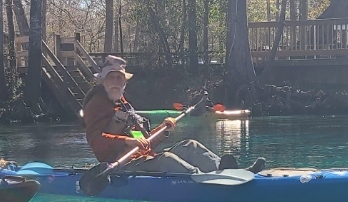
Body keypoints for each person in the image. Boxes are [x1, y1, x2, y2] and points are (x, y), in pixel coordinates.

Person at [81, 56, 265, 175]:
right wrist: (128, 142)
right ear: (102, 80)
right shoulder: (96, 103)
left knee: (190, 145)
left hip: (144, 159)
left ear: (124, 82)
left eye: (119, 77)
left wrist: (163, 129)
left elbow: (147, 141)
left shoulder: (124, 104)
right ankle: (204, 180)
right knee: (167, 160)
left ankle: (231, 173)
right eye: (111, 77)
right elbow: (96, 141)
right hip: (123, 166)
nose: (115, 81)